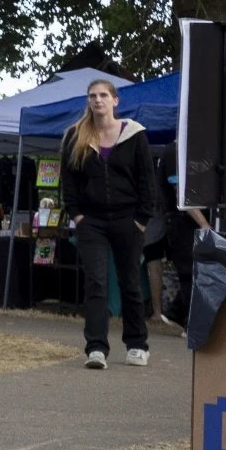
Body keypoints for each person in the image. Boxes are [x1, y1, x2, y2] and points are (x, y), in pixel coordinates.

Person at [62, 79, 154, 368]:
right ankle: (96, 348)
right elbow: (70, 181)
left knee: (130, 283)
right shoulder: (76, 136)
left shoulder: (135, 135)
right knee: (96, 283)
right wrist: (77, 215)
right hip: (92, 222)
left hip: (128, 220)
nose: (98, 100)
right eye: (92, 96)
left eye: (103, 95)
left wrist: (141, 219)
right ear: (88, 101)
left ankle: (137, 344)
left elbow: (146, 180)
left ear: (116, 100)